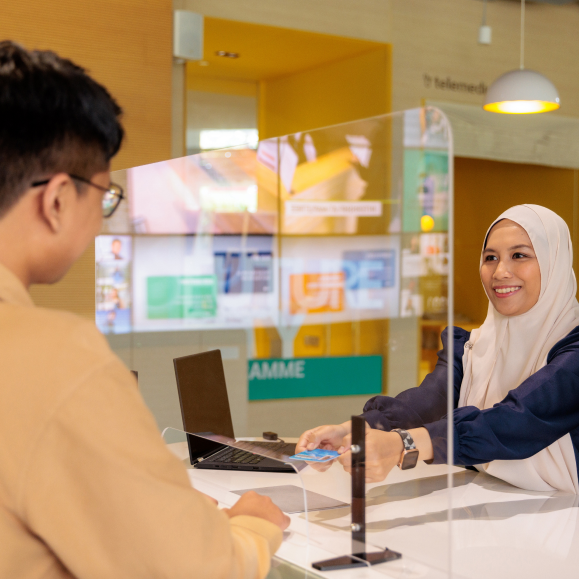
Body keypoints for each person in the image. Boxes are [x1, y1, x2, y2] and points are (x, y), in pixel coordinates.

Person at [0, 41, 288, 579]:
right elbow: (189, 570)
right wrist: (251, 527)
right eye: (106, 198)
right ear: (58, 199)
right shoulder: (56, 358)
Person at [297, 204, 579, 493]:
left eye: (519, 256)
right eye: (490, 257)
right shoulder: (474, 346)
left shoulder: (574, 350)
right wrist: (352, 430)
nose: (500, 272)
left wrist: (402, 445)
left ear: (554, 263)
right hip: (483, 503)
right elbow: (428, 401)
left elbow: (516, 420)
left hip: (564, 519)